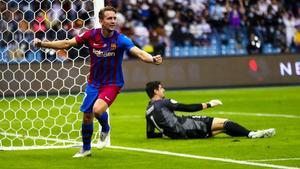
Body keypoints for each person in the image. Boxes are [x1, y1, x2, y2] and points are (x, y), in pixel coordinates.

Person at [33, 6, 162, 158]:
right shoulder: (91, 35)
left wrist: (152, 59)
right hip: (93, 83)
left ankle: (106, 128)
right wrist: (43, 44)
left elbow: (139, 52)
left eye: (114, 18)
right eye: (109, 18)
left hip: (112, 83)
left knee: (97, 110)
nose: (113, 21)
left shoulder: (120, 39)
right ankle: (86, 149)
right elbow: (67, 43)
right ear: (101, 21)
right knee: (87, 116)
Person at [145, 81, 275, 139]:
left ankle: (251, 133)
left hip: (178, 134)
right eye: (161, 88)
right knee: (224, 122)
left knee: (223, 129)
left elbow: (150, 135)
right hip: (188, 126)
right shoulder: (164, 102)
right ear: (156, 91)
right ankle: (252, 134)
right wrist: (209, 104)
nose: (164, 90)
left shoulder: (148, 110)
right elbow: (188, 108)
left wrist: (166, 134)